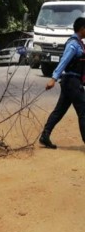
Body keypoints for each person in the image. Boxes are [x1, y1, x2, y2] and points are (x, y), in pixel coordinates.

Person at [39, 17, 85, 149]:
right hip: (71, 82)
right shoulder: (73, 44)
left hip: (71, 82)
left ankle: (45, 135)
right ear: (82, 29)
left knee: (59, 111)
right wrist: (53, 78)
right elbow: (63, 61)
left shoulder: (80, 43)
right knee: (83, 111)